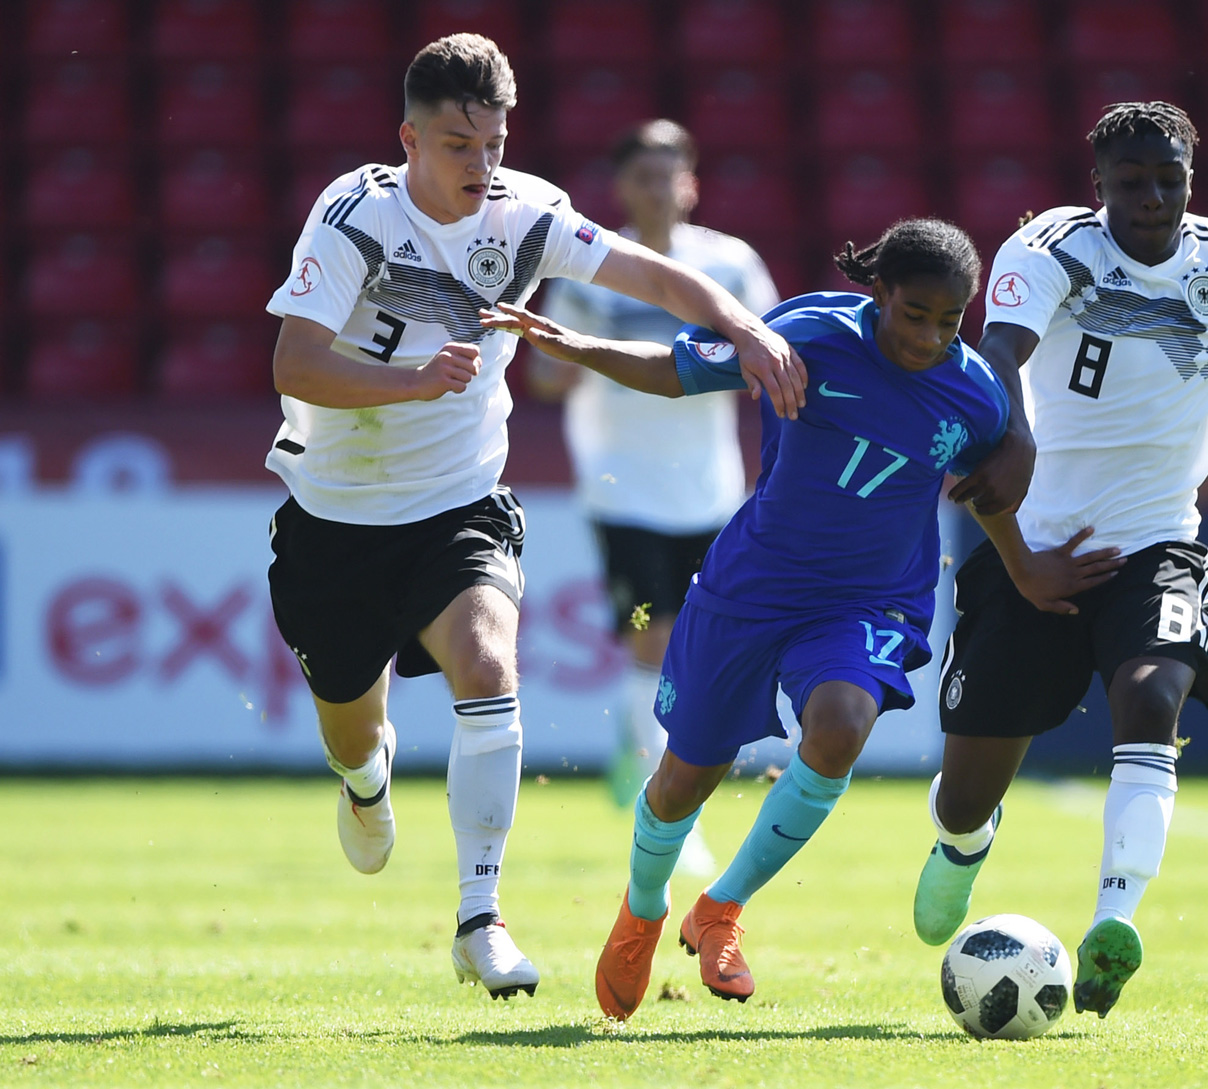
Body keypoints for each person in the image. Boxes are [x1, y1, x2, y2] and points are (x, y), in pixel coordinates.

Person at [263, 33, 804, 1001]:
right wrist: (410, 379)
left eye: (495, 144)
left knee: (490, 665)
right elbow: (293, 364)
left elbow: (649, 275)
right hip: (334, 517)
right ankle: (364, 779)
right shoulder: (353, 217)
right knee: (352, 730)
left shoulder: (528, 215)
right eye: (457, 145)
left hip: (458, 503)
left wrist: (743, 324)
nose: (481, 165)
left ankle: (480, 920)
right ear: (409, 139)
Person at [482, 218, 1087, 1022]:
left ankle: (722, 908)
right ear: (882, 295)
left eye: (950, 321)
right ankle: (644, 906)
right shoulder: (807, 334)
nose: (932, 336)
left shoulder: (973, 389)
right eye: (915, 315)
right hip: (752, 589)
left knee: (840, 724)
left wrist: (1024, 553)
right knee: (682, 780)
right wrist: (576, 345)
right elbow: (675, 370)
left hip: (869, 602)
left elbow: (991, 486)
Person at [911, 101, 1208, 1019]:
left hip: (1162, 541)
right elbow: (995, 368)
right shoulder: (1051, 253)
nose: (1153, 198)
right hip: (1038, 543)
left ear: (1190, 179)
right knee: (968, 795)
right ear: (1098, 187)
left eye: (1169, 179)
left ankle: (1113, 921)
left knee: (1151, 694)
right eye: (1131, 182)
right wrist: (1014, 534)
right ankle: (959, 845)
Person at [529, 120, 780, 875]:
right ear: (623, 187)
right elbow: (543, 374)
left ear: (692, 182)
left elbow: (769, 351)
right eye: (644, 174)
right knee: (654, 637)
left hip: (709, 489)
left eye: (670, 173)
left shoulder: (729, 267)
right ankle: (665, 805)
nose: (658, 187)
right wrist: (572, 362)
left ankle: (648, 760)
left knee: (697, 647)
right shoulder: (591, 268)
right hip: (620, 486)